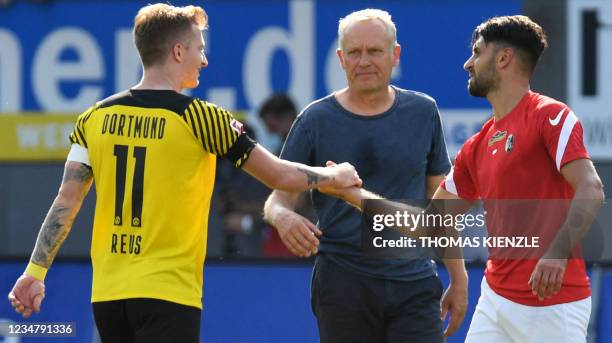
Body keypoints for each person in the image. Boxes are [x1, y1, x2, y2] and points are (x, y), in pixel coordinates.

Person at [6, 4, 361, 343]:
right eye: (199, 49)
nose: (204, 59)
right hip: (169, 293)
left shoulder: (93, 118)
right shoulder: (202, 117)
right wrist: (334, 177)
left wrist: (34, 272)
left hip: (108, 296)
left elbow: (65, 202)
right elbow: (278, 176)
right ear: (178, 51)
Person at [323, 15, 605, 343]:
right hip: (496, 301)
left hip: (553, 304)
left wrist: (557, 253)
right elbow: (430, 223)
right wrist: (352, 194)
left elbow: (592, 188)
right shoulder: (478, 145)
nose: (467, 64)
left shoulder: (550, 115)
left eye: (477, 52)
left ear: (503, 58)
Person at [263, 9, 468, 342]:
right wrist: (283, 216)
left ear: (394, 55)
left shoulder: (423, 111)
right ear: (341, 59)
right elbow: (279, 196)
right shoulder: (315, 119)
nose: (364, 61)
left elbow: (440, 210)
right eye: (355, 53)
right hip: (342, 283)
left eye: (374, 51)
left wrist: (458, 280)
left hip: (414, 282)